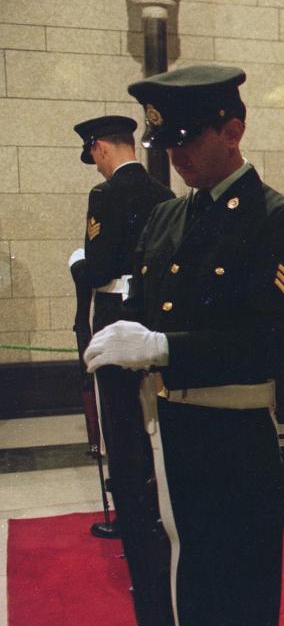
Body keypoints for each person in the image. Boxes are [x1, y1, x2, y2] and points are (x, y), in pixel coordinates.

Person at [85, 64, 284, 626]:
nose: (178, 156)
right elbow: (142, 310)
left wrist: (161, 347)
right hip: (175, 431)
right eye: (168, 143)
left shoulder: (279, 220)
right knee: (186, 589)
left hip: (240, 439)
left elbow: (269, 344)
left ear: (234, 128)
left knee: (237, 609)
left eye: (190, 139)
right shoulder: (166, 220)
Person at [69, 115, 175, 539]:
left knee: (120, 417)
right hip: (154, 313)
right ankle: (158, 506)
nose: (95, 165)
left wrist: (77, 261)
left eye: (93, 155)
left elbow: (97, 269)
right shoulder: (165, 194)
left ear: (100, 147)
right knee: (156, 414)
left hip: (114, 314)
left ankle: (131, 514)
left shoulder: (105, 193)